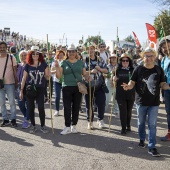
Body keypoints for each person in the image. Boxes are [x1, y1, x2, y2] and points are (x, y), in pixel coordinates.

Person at [122, 47, 170, 157]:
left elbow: (162, 84)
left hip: (154, 103)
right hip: (141, 102)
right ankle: (142, 139)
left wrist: (168, 86)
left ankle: (152, 146)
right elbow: (132, 81)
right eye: (146, 56)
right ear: (143, 57)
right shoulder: (138, 69)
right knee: (141, 123)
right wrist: (129, 86)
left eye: (151, 56)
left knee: (152, 125)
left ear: (154, 57)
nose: (148, 58)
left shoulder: (158, 70)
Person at [55, 44, 91, 135]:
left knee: (76, 107)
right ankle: (67, 126)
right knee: (67, 107)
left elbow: (84, 74)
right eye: (70, 51)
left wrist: (88, 77)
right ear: (68, 53)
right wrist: (56, 68)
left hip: (78, 87)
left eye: (73, 51)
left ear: (76, 53)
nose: (71, 53)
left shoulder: (80, 62)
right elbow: (59, 76)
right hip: (66, 87)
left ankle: (74, 125)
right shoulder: (63, 62)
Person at [19, 46, 50, 134]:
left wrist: (49, 74)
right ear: (31, 55)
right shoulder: (27, 65)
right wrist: (21, 91)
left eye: (37, 53)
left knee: (41, 107)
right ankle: (33, 126)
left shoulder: (44, 64)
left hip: (40, 89)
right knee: (31, 108)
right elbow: (24, 78)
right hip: (30, 89)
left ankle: (43, 126)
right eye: (33, 54)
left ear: (39, 55)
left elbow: (47, 78)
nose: (35, 55)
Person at [84, 43, 108, 130]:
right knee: (89, 105)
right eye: (89, 49)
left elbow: (106, 70)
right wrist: (90, 72)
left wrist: (99, 69)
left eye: (92, 49)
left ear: (94, 50)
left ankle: (100, 119)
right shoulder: (84, 60)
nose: (91, 51)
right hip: (88, 86)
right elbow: (81, 72)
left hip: (100, 85)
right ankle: (90, 121)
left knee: (101, 103)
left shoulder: (100, 59)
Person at [113, 53, 135, 135]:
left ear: (129, 61)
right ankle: (123, 128)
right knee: (123, 111)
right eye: (123, 60)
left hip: (131, 93)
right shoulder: (117, 70)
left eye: (127, 60)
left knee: (129, 111)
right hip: (120, 94)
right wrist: (114, 79)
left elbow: (136, 82)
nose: (125, 62)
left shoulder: (133, 70)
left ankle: (128, 125)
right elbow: (113, 84)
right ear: (120, 62)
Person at [0, 41, 18, 127]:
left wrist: (16, 81)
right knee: (2, 103)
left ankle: (13, 119)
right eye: (1, 47)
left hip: (10, 83)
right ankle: (5, 119)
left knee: (12, 102)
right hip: (0, 85)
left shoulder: (11, 57)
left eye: (4, 47)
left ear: (6, 48)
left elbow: (15, 70)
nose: (2, 49)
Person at [160, 39, 170, 141]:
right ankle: (169, 133)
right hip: (167, 90)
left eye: (167, 46)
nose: (165, 48)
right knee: (168, 112)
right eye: (163, 47)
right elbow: (162, 75)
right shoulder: (163, 60)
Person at [17, 50, 30, 128]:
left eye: (25, 55)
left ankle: (26, 120)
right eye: (22, 55)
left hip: (28, 86)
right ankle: (26, 116)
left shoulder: (30, 65)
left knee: (28, 104)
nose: (23, 57)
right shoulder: (18, 65)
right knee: (20, 104)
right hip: (19, 86)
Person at [51, 50, 65, 116]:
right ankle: (57, 110)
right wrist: (56, 69)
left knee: (65, 96)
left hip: (64, 81)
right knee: (57, 96)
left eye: (62, 55)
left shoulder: (65, 62)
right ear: (57, 55)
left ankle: (66, 108)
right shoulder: (54, 62)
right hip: (56, 81)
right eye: (59, 55)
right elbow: (51, 71)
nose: (60, 56)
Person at [105, 54, 119, 118]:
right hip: (108, 83)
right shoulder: (107, 66)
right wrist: (111, 73)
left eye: (115, 57)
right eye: (112, 58)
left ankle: (116, 111)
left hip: (117, 83)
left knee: (116, 98)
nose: (113, 59)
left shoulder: (119, 66)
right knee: (107, 99)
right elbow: (104, 74)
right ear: (110, 59)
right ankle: (103, 110)